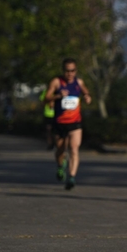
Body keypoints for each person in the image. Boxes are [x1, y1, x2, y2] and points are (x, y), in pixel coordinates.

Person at [45, 58, 92, 190]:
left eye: (72, 71)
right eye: (67, 71)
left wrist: (87, 97)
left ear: (76, 71)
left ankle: (71, 177)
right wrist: (58, 96)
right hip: (59, 123)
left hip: (75, 123)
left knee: (74, 149)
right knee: (60, 150)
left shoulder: (79, 82)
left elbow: (86, 92)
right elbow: (46, 98)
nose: (70, 73)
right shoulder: (56, 82)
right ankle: (61, 166)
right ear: (63, 70)